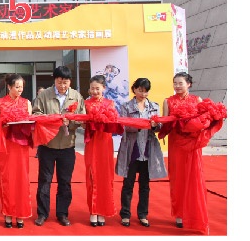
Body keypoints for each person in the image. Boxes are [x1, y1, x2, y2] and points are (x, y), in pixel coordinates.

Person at [32, 66, 85, 227]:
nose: (62, 85)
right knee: (44, 180)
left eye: (65, 82)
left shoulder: (76, 96)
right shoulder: (44, 95)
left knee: (65, 182)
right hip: (47, 145)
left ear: (70, 82)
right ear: (54, 80)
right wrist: (53, 120)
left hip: (67, 146)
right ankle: (42, 213)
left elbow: (82, 118)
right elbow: (36, 114)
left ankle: (62, 213)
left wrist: (71, 122)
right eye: (60, 82)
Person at [115, 78, 166, 227]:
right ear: (134, 89)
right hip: (131, 149)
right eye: (140, 90)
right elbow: (124, 126)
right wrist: (141, 124)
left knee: (145, 185)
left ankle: (143, 214)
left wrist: (155, 126)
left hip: (148, 150)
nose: (143, 94)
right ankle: (125, 214)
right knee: (128, 184)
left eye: (146, 91)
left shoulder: (154, 106)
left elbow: (159, 127)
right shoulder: (126, 106)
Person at [162, 72, 209, 232]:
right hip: (176, 144)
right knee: (178, 178)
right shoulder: (168, 101)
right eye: (175, 83)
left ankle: (194, 214)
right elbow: (165, 123)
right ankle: (180, 214)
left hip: (193, 144)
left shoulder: (197, 100)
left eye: (180, 83)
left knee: (194, 178)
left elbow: (204, 121)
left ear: (189, 84)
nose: (177, 86)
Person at [0, 73, 32, 228]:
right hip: (6, 145)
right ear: (9, 87)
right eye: (17, 87)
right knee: (7, 179)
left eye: (21, 87)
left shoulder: (26, 102)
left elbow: (30, 122)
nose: (20, 89)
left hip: (21, 146)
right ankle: (8, 214)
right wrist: (4, 124)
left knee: (22, 179)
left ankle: (20, 215)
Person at [83, 75, 119, 226]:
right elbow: (82, 124)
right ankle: (93, 211)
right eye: (92, 88)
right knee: (92, 175)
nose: (95, 91)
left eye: (97, 88)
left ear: (104, 88)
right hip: (92, 142)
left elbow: (115, 122)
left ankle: (103, 210)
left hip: (105, 142)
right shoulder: (86, 103)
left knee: (105, 176)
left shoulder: (110, 103)